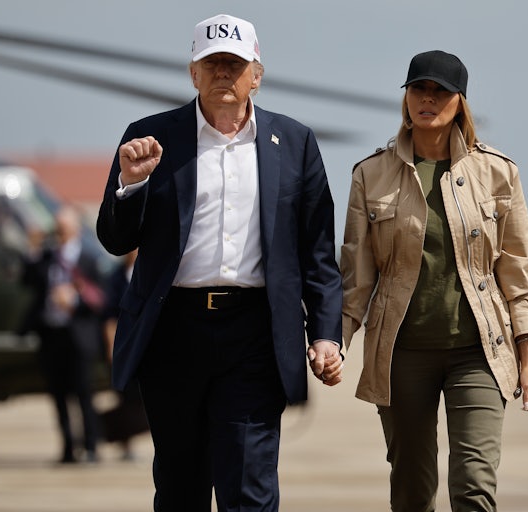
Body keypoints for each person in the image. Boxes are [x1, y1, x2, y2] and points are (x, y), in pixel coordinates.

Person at [96, 13, 343, 511]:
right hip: (174, 333)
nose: (223, 73)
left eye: (235, 63)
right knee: (181, 486)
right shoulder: (149, 138)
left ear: (257, 73)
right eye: (212, 63)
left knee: (250, 486)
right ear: (193, 72)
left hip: (254, 333)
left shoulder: (294, 144)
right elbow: (115, 240)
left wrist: (324, 334)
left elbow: (318, 253)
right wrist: (132, 184)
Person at [340, 50, 528, 511]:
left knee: (474, 484)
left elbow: (517, 271)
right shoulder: (370, 175)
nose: (427, 99)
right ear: (406, 98)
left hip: (479, 352)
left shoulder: (498, 172)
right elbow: (356, 276)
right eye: (418, 89)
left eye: (439, 91)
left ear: (460, 102)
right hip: (401, 353)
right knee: (412, 489)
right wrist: (336, 343)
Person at [20, 205, 105, 464]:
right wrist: (32, 250)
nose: (60, 231)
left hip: (78, 334)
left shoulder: (88, 258)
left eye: (64, 227)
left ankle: (91, 446)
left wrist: (74, 300)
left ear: (75, 228)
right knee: (58, 394)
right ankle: (68, 447)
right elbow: (27, 281)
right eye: (57, 227)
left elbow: (101, 297)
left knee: (83, 393)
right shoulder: (47, 256)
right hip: (51, 333)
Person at [100, 249, 148, 460]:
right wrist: (112, 346)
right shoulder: (117, 277)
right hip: (126, 343)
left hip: (149, 343)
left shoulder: (152, 270)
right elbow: (110, 315)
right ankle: (125, 441)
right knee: (125, 397)